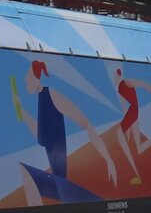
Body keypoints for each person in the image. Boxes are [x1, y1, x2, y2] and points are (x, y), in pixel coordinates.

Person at [15, 60, 117, 205]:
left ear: (36, 78)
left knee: (25, 173)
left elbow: (86, 123)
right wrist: (21, 110)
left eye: (27, 77)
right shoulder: (41, 98)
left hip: (61, 184)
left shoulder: (52, 95)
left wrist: (109, 159)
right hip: (58, 184)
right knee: (24, 171)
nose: (25, 81)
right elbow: (42, 138)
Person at [113, 68, 151, 186]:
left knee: (119, 135)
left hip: (133, 112)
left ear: (118, 76)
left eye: (116, 76)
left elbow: (142, 83)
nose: (115, 78)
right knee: (138, 147)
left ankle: (128, 167)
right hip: (133, 113)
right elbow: (126, 105)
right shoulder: (120, 88)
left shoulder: (125, 83)